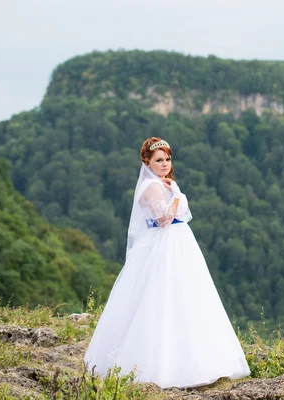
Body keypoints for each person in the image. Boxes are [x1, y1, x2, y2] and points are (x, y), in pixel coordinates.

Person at [84, 137, 250, 389]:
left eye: (167, 159)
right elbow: (164, 219)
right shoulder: (152, 187)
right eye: (159, 160)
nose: (164, 164)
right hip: (163, 245)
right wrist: (175, 195)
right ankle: (161, 366)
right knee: (161, 298)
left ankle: (199, 362)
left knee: (188, 297)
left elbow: (184, 215)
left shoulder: (165, 183)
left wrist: (174, 192)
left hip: (179, 243)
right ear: (147, 163)